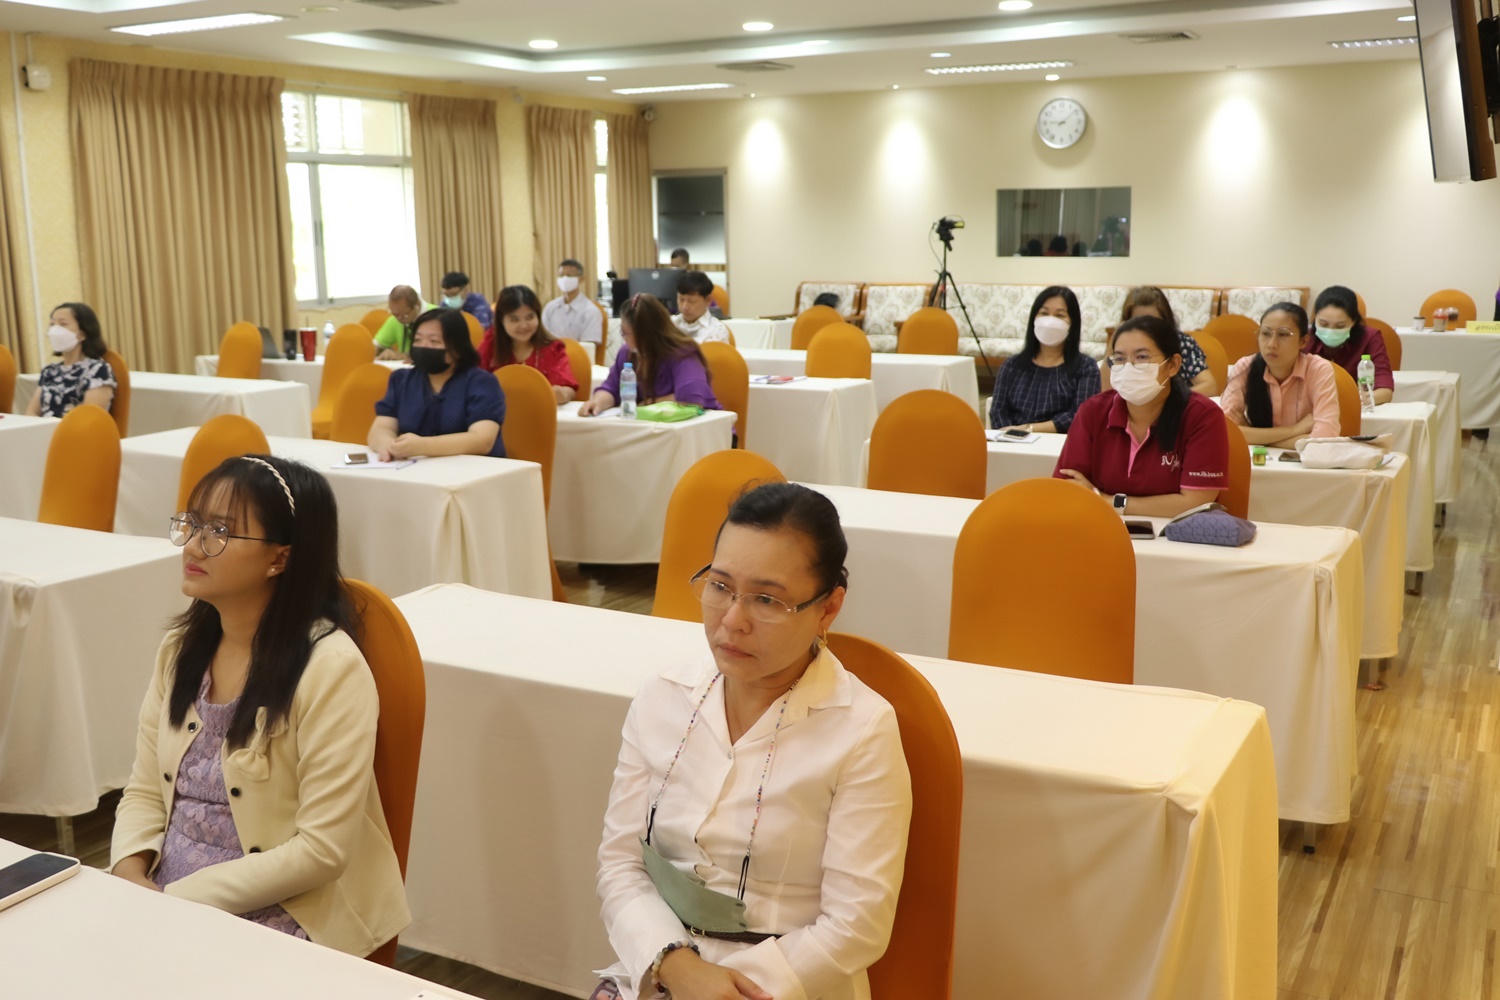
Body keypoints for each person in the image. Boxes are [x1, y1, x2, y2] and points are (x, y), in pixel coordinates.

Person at [593, 482, 912, 1000]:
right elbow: (620, 864)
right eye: (720, 586)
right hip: (662, 969)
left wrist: (725, 989)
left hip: (785, 984)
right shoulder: (663, 696)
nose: (732, 621)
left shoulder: (861, 729)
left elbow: (857, 924)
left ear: (828, 608)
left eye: (767, 600)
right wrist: (676, 967)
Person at [110, 455, 410, 957]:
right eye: (192, 523)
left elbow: (321, 851)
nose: (193, 544)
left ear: (280, 558)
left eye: (219, 531)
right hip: (161, 893)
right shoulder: (181, 649)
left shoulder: (330, 668)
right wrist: (128, 873)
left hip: (284, 909)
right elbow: (144, 790)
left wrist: (173, 902)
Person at [1055, 315, 1229, 517]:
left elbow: (1195, 502)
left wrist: (1109, 501)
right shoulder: (1093, 411)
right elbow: (1069, 488)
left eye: (1142, 357)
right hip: (1102, 527)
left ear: (1172, 365)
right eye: (1120, 359)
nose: (1128, 367)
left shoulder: (1202, 415)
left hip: (1176, 532)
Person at [369, 307, 507, 458]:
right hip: (418, 468)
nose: (423, 347)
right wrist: (390, 446)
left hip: (474, 468)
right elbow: (381, 428)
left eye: (434, 341)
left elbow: (482, 441)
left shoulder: (482, 383)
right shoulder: (401, 380)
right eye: (418, 340)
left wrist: (422, 446)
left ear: (457, 348)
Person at [1219, 302, 1341, 448]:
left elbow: (1324, 439)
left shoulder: (1318, 370)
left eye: (1283, 334)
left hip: (1304, 460)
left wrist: (1255, 437)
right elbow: (1225, 431)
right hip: (1258, 459)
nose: (1271, 344)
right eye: (1265, 333)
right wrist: (1294, 430)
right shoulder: (1245, 367)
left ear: (1303, 341)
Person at [579, 294, 721, 415]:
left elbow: (691, 399)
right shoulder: (627, 353)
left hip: (699, 429)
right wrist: (597, 403)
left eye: (625, 333)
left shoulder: (683, 354)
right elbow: (611, 389)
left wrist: (648, 403)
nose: (623, 338)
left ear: (644, 334)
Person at [988, 286, 1100, 433]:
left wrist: (1027, 429)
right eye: (1044, 313)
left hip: (1060, 444)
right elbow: (998, 411)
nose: (1049, 321)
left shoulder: (1086, 367)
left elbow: (1079, 415)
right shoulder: (1012, 365)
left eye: (1060, 315)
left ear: (1072, 323)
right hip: (1011, 441)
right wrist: (1012, 434)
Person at [1100, 286, 1217, 396]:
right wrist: (1116, 339)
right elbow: (1105, 392)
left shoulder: (1182, 343)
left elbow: (1210, 386)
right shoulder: (1125, 349)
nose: (1146, 330)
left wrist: (1171, 402)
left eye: (1153, 322)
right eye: (1139, 322)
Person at [482, 284, 579, 405]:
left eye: (530, 317)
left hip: (540, 412)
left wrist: (563, 394)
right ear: (501, 321)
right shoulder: (491, 344)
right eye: (514, 319)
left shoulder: (553, 348)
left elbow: (569, 388)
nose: (524, 325)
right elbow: (473, 381)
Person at [1304, 285, 1393, 405]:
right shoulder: (1304, 339)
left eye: (1340, 326)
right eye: (1323, 324)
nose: (1331, 331)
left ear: (1354, 321)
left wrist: (1354, 400)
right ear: (1315, 318)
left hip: (1355, 406)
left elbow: (1385, 391)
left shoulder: (1370, 338)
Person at [26, 301, 116, 418]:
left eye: (63, 324)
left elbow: (88, 418)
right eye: (52, 324)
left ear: (82, 334)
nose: (55, 330)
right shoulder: (50, 371)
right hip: (44, 428)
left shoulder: (98, 370)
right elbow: (31, 413)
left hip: (76, 428)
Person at [542, 258, 606, 347]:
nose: (564, 279)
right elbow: (542, 338)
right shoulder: (550, 308)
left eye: (569, 275)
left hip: (577, 355)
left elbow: (589, 346)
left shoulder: (591, 311)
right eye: (561, 275)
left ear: (581, 279)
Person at [374, 285, 433, 362]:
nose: (399, 319)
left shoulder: (436, 317)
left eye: (405, 315)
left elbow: (436, 353)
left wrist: (404, 355)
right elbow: (376, 345)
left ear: (417, 306)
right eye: (395, 314)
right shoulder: (395, 320)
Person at [673, 271, 730, 344]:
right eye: (681, 299)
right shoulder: (669, 324)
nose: (685, 307)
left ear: (708, 300)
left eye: (692, 301)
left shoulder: (717, 330)